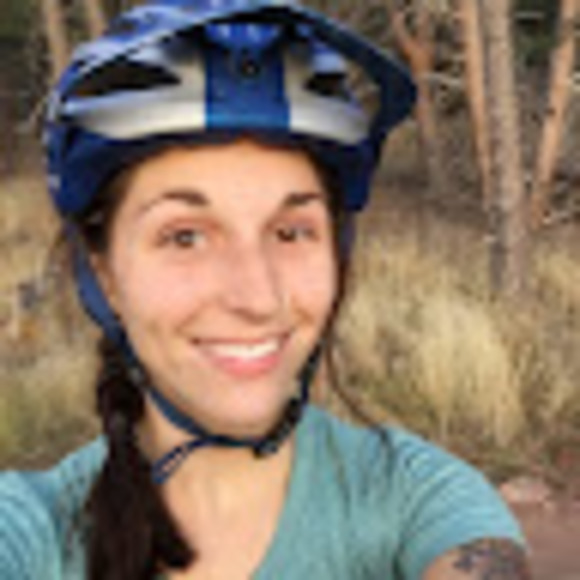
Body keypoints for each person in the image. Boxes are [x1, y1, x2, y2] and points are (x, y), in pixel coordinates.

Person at [0, 0, 531, 578]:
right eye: (185, 237)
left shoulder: (420, 502)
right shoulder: (31, 530)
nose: (257, 298)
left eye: (291, 231)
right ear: (103, 273)